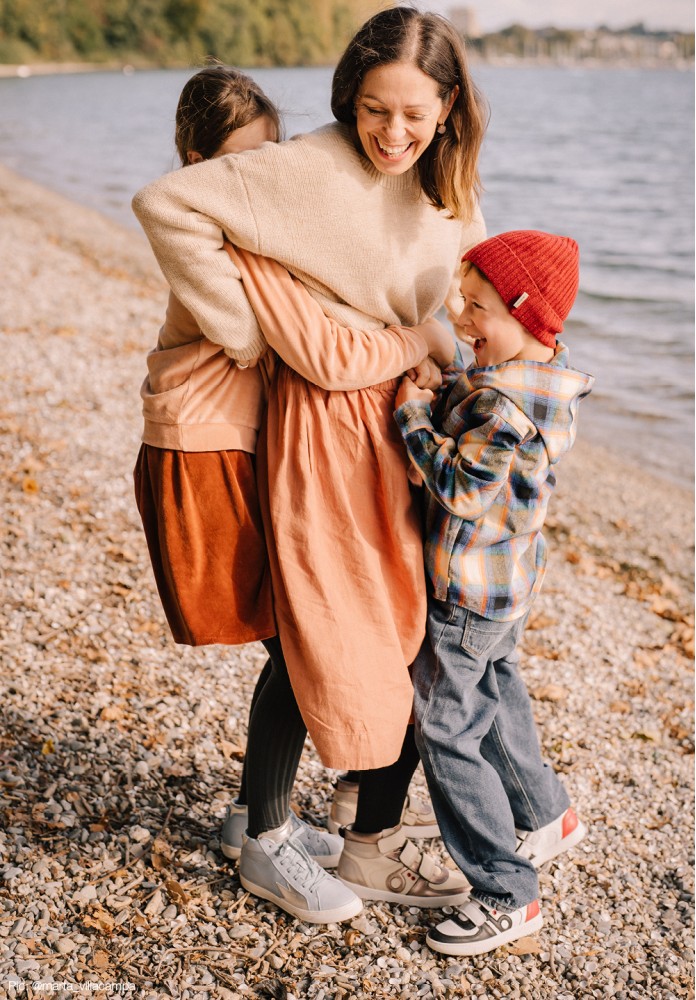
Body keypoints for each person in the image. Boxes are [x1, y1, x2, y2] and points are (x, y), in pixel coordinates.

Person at [133, 7, 487, 921]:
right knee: (315, 631)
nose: (393, 132)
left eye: (415, 112)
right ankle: (278, 835)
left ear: (449, 106)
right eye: (375, 109)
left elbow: (458, 297)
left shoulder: (449, 185)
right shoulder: (310, 165)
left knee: (403, 626)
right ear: (347, 97)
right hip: (323, 429)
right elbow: (170, 203)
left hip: (404, 424)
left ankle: (345, 822)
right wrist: (243, 331)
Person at [393, 230, 593, 956]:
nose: (462, 317)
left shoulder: (502, 408)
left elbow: (459, 487)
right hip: (509, 583)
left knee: (446, 727)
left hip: (468, 586)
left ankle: (507, 892)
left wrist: (413, 414)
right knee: (499, 689)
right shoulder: (539, 381)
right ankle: (547, 815)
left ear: (525, 314)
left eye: (477, 306)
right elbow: (481, 409)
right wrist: (450, 384)